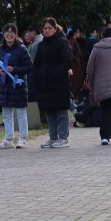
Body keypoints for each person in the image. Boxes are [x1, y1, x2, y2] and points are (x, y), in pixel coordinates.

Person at [32, 17, 73, 148]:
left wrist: (56, 74)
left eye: (50, 28)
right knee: (49, 111)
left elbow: (67, 61)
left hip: (59, 83)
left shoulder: (62, 42)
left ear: (55, 29)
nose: (47, 30)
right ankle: (53, 137)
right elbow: (36, 63)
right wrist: (37, 76)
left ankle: (63, 138)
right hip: (44, 83)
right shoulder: (41, 45)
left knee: (61, 111)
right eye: (45, 28)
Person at [0, 23, 32, 149]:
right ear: (3, 34)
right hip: (5, 86)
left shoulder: (22, 49)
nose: (9, 34)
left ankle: (22, 138)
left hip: (18, 85)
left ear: (16, 35)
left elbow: (29, 67)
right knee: (6, 113)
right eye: (7, 32)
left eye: (12, 32)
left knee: (21, 113)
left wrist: (14, 69)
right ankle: (8, 139)